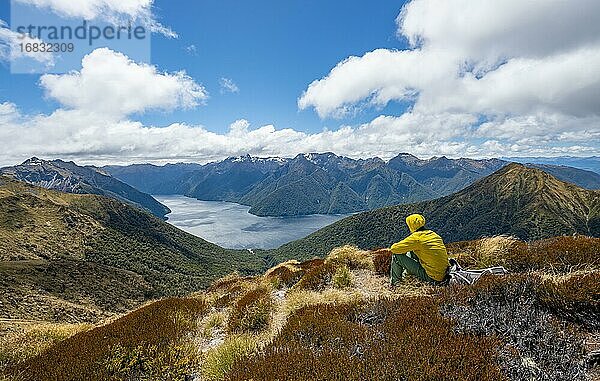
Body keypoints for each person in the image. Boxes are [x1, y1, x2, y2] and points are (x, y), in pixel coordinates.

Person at [389, 213, 449, 286]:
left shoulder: (416, 238)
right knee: (412, 250)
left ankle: (395, 284)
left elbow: (394, 249)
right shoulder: (434, 235)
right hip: (445, 275)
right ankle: (407, 274)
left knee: (396, 256)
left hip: (433, 278)